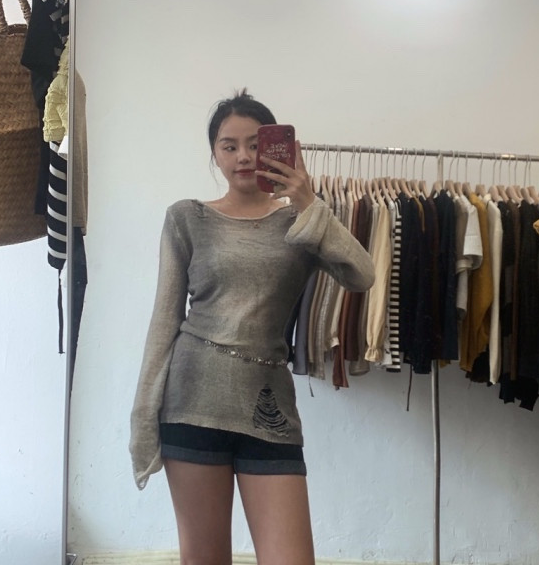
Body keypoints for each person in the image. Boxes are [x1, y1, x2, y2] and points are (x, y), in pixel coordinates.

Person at [129, 89, 375, 565]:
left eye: (255, 145)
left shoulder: (301, 221)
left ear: (279, 149)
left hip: (269, 406)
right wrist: (143, 415)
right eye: (229, 146)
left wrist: (309, 204)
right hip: (191, 403)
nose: (243, 156)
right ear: (215, 154)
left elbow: (362, 275)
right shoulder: (187, 218)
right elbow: (164, 321)